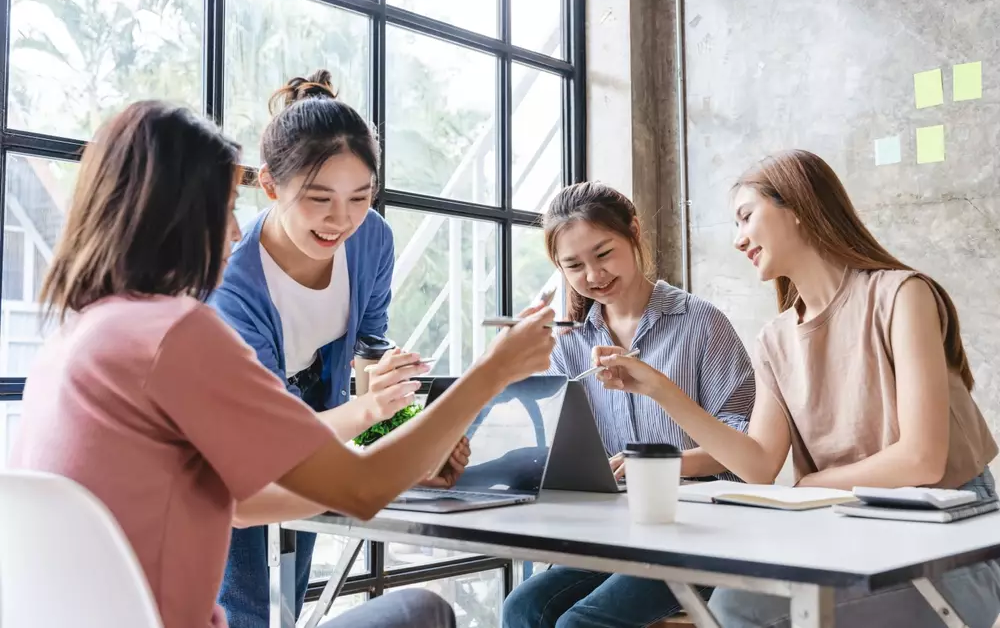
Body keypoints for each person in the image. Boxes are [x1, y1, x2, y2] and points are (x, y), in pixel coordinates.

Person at [9, 100, 556, 628]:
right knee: (423, 611)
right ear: (175, 217)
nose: (233, 232)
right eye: (222, 211)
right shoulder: (176, 332)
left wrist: (408, 458)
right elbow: (360, 489)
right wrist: (494, 371)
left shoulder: (79, 334)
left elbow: (245, 503)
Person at [595, 150, 1000, 627]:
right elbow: (758, 465)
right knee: (734, 605)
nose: (737, 239)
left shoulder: (901, 295)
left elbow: (922, 459)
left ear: (800, 208)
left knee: (744, 611)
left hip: (950, 544)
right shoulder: (776, 339)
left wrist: (811, 484)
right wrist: (659, 389)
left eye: (746, 216)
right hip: (852, 535)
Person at [208, 69, 470, 628]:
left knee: (294, 579)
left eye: (360, 196)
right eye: (319, 198)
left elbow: (371, 346)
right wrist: (376, 432)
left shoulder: (371, 238)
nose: (341, 220)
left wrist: (404, 429)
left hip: (321, 405)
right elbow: (267, 443)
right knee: (249, 603)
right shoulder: (235, 279)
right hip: (253, 415)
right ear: (271, 186)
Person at [502, 181, 755, 628]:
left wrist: (654, 465)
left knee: (579, 624)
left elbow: (743, 450)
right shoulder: (571, 343)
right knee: (521, 608)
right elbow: (545, 443)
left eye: (603, 254)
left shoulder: (702, 325)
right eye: (574, 265)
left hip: (697, 532)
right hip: (611, 532)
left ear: (634, 232)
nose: (593, 276)